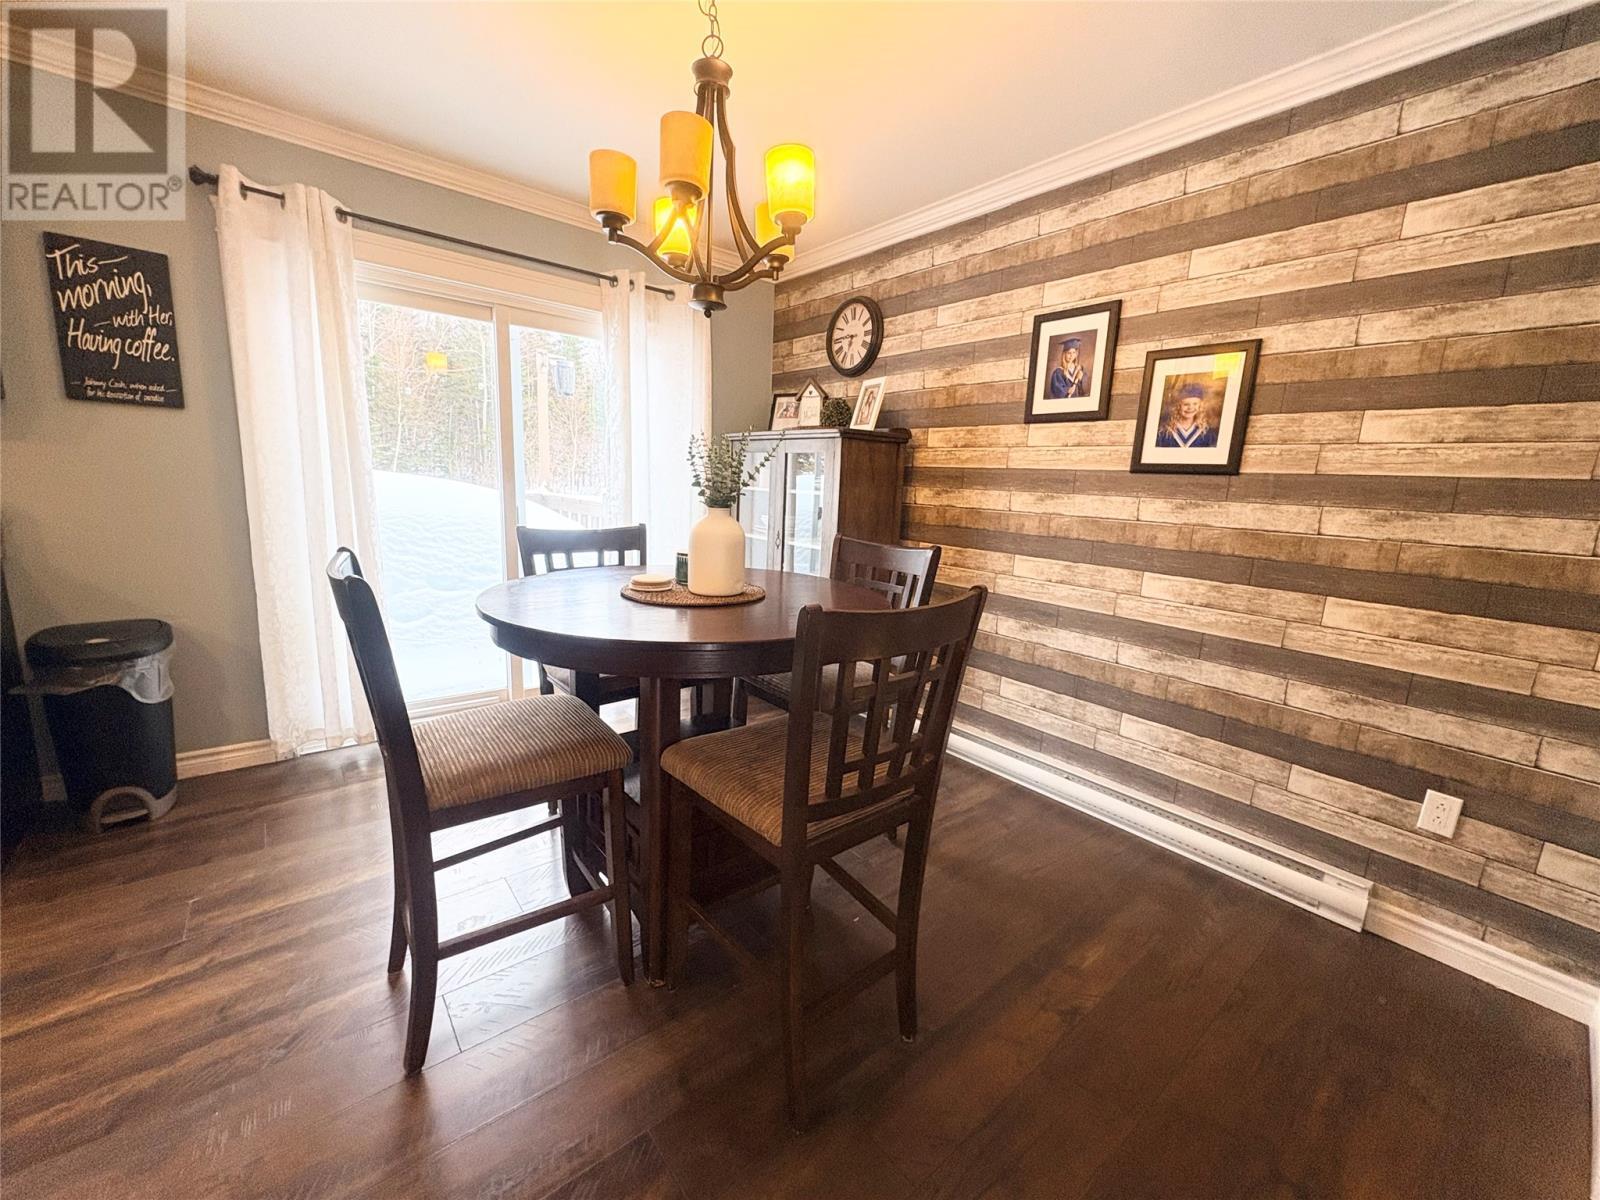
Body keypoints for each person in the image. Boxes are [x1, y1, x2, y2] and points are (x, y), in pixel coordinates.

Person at [1154, 382, 1218, 448]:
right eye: (1186, 404)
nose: (1190, 408)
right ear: (1177, 406)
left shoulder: (1207, 433)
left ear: (1200, 406)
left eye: (1195, 404)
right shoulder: (1164, 433)